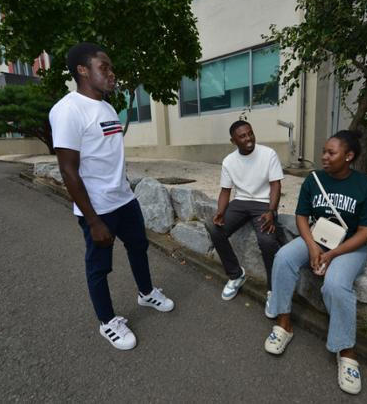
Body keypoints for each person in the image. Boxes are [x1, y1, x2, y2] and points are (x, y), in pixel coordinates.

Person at [49, 42, 174, 351]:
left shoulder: (105, 106)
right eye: (103, 67)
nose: (111, 73)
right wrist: (93, 221)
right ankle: (107, 322)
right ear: (82, 70)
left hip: (124, 198)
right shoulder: (67, 110)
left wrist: (125, 192)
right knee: (99, 268)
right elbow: (68, 171)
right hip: (98, 208)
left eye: (110, 67)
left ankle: (145, 293)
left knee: (139, 247)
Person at [263, 130, 367, 395]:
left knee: (336, 285)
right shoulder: (314, 180)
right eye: (324, 152)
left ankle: (347, 351)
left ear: (349, 156)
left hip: (350, 246)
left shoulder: (366, 187)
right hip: (318, 238)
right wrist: (313, 246)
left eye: (331, 153)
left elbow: (365, 232)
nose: (324, 157)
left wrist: (331, 255)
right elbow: (302, 216)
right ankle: (284, 323)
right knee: (283, 258)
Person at [205, 120, 284, 317]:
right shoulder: (229, 161)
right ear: (233, 140)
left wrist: (272, 211)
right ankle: (236, 275)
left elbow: (275, 185)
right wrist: (221, 212)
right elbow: (225, 191)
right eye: (242, 136)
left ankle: (273, 291)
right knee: (214, 227)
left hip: (264, 204)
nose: (248, 138)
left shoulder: (268, 154)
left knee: (267, 241)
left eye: (250, 133)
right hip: (240, 203)